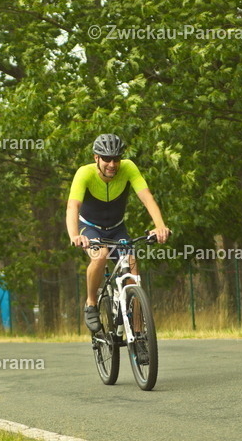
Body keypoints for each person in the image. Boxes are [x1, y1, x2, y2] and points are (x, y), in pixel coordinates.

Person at [67, 134, 170, 333]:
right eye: (106, 159)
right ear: (96, 157)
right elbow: (73, 206)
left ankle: (139, 334)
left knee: (133, 273)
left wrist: (160, 226)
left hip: (117, 229)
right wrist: (75, 235)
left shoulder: (129, 168)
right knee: (100, 255)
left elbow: (147, 198)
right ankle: (91, 303)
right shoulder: (84, 173)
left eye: (116, 159)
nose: (112, 164)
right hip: (90, 228)